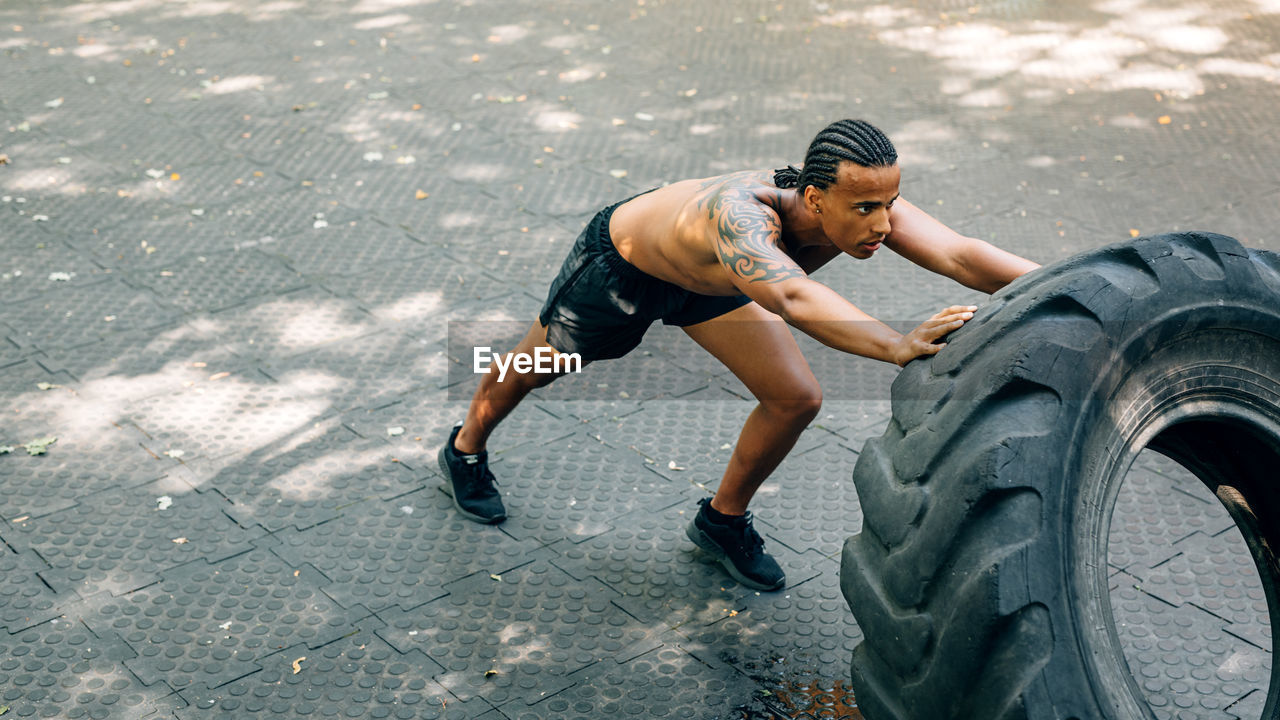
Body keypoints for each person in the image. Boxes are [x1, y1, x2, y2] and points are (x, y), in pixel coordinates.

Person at [439, 119, 1039, 591]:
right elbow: (792, 294)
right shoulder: (742, 217)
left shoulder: (865, 203)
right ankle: (464, 448)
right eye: (865, 210)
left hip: (715, 286)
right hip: (622, 274)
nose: (884, 223)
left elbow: (962, 256)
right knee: (539, 367)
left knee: (794, 398)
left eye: (891, 203)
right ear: (814, 197)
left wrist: (1075, 284)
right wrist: (895, 344)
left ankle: (721, 521)